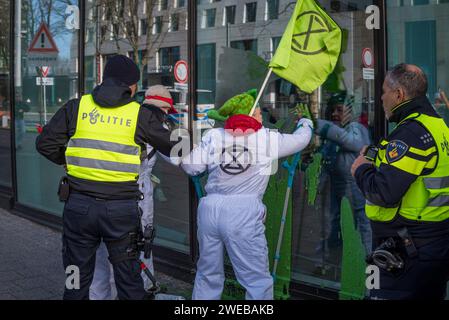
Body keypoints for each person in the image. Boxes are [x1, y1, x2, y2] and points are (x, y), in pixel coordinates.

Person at [36, 55, 177, 300]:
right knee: (129, 280)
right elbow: (181, 148)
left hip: (78, 208)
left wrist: (72, 161)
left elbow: (45, 143)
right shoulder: (139, 114)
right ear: (132, 85)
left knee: (75, 277)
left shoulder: (76, 106)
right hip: (120, 212)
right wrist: (177, 124)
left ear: (104, 79)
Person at [181, 89, 313, 300]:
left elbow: (191, 166)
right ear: (250, 114)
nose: (261, 117)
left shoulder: (214, 135)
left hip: (210, 209)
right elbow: (301, 140)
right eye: (258, 112)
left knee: (207, 274)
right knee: (256, 280)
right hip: (243, 213)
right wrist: (306, 122)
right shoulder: (266, 138)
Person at [351, 63, 449, 300]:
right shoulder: (438, 126)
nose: (381, 97)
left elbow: (383, 193)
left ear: (399, 94)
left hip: (408, 252)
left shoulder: (411, 134)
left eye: (384, 91)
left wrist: (361, 168)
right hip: (434, 245)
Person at [89, 85, 177, 300]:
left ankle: (100, 295)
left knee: (103, 250)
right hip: (136, 194)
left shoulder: (125, 117)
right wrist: (179, 132)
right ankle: (141, 292)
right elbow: (181, 157)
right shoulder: (156, 125)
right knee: (139, 246)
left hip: (102, 191)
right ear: (164, 108)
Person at [316, 92, 372, 254]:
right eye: (333, 110)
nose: (334, 114)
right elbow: (327, 157)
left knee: (360, 221)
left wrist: (323, 126)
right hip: (338, 185)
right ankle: (334, 249)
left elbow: (353, 143)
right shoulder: (340, 131)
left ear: (351, 112)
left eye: (339, 110)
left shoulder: (356, 128)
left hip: (354, 186)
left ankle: (366, 255)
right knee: (336, 219)